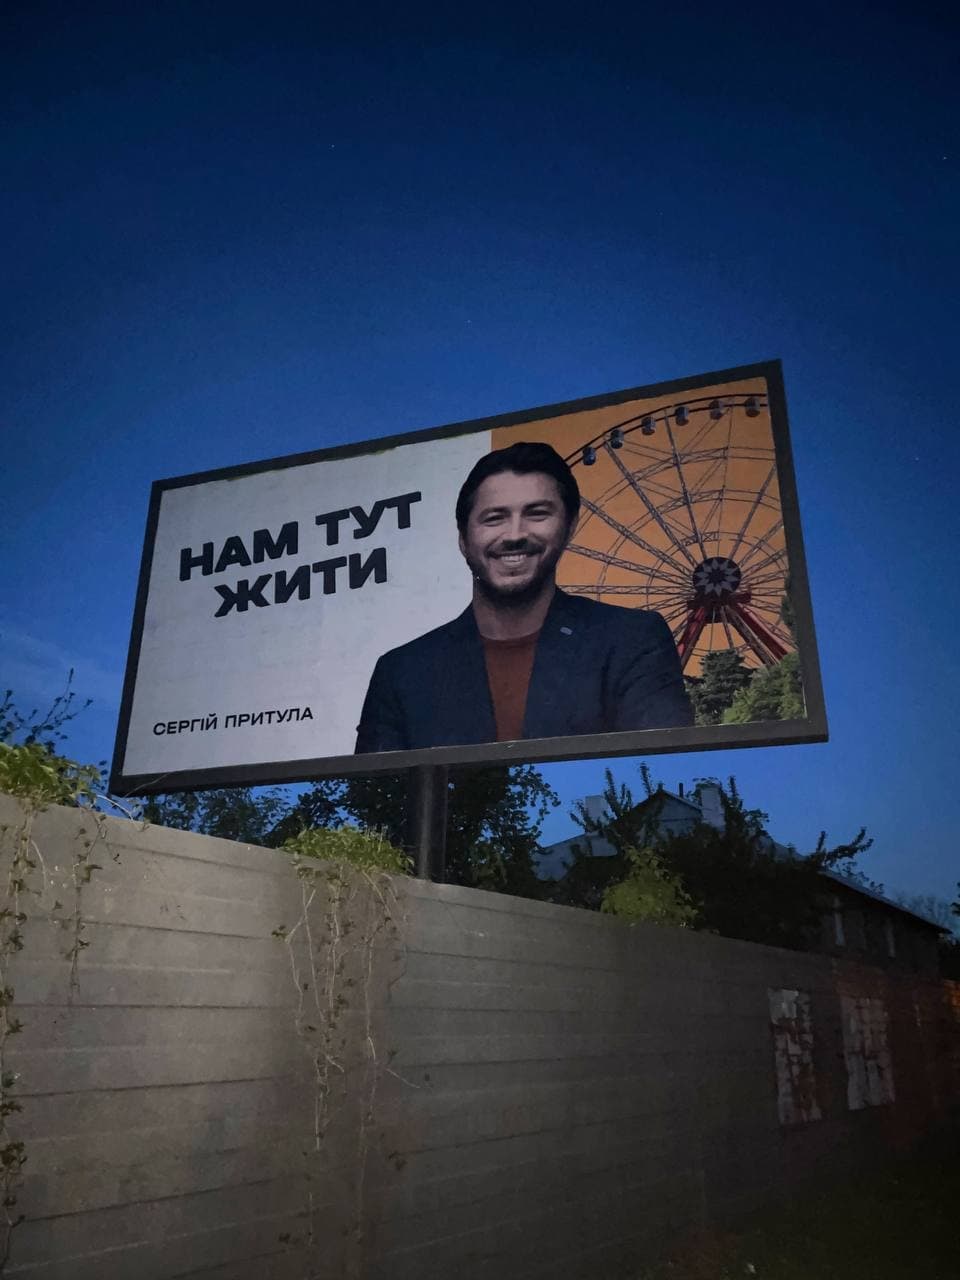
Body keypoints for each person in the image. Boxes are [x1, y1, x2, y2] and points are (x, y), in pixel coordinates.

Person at [354, 441, 692, 753]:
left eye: (537, 514)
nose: (514, 534)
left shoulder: (631, 641)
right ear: (463, 539)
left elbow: (662, 768)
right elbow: (373, 796)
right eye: (494, 518)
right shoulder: (402, 672)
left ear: (570, 526)